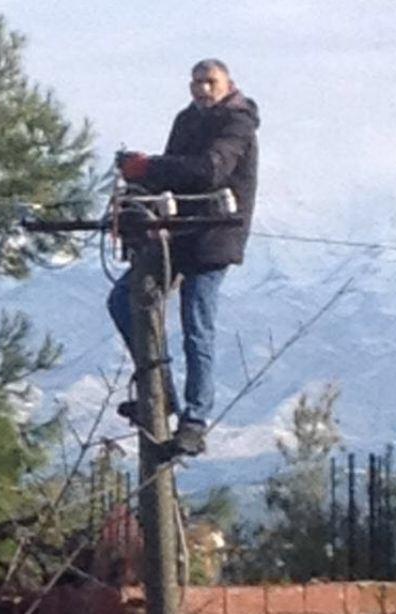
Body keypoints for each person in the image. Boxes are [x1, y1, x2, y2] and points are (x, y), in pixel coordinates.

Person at [108, 58, 260, 456]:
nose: (202, 89)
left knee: (197, 325)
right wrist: (140, 176)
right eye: (196, 82)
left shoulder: (238, 123)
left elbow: (209, 170)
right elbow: (172, 174)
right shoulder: (186, 120)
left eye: (210, 82)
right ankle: (160, 394)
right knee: (123, 300)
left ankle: (194, 420)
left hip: (215, 237)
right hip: (176, 234)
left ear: (228, 83)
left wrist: (149, 166)